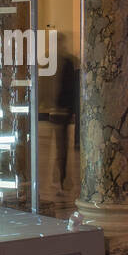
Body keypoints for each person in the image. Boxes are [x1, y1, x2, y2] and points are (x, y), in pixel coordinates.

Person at [52, 34, 79, 192]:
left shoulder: (67, 61)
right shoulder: (56, 60)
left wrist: (71, 109)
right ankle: (60, 179)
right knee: (60, 148)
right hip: (56, 109)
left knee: (61, 147)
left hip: (62, 110)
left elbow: (71, 88)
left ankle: (61, 179)